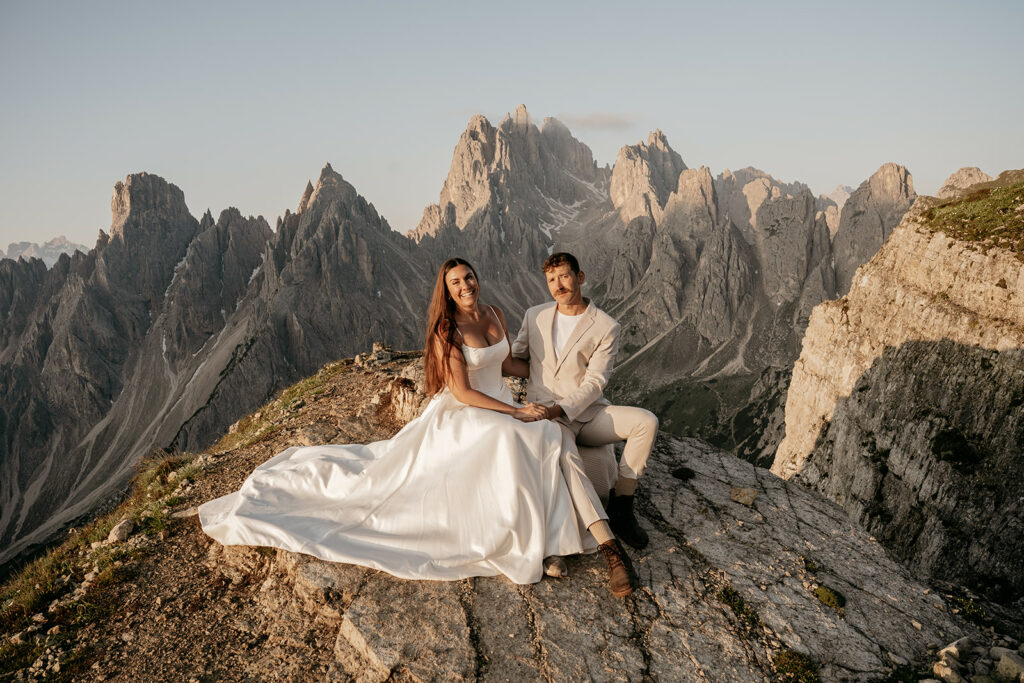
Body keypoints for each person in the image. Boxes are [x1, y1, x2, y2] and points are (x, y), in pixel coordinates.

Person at [199, 257, 636, 596]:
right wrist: (518, 412)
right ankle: (539, 544)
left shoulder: (496, 313)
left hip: (499, 399)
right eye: (456, 283)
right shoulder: (447, 329)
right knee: (517, 437)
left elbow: (508, 363)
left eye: (469, 278)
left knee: (544, 435)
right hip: (469, 412)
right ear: (446, 292)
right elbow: (463, 393)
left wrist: (560, 382)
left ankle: (550, 541)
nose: (466, 286)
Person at [511, 252, 659, 550]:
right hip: (548, 417)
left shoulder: (606, 326)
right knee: (573, 465)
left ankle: (623, 507)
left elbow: (596, 382)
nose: (558, 285)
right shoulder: (534, 315)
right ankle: (603, 536)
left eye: (564, 276)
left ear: (580, 277)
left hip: (586, 415)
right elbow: (516, 357)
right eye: (551, 280)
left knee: (646, 422)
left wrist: (557, 409)